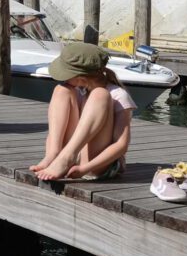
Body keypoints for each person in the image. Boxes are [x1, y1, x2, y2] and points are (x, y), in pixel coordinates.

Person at [31, 42, 134, 181]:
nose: (64, 78)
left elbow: (121, 145)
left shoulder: (118, 95)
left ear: (80, 78)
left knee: (99, 94)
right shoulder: (74, 90)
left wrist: (84, 169)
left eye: (66, 74)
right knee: (61, 90)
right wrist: (53, 153)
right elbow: (55, 130)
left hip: (95, 163)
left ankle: (66, 158)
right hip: (71, 156)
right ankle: (54, 155)